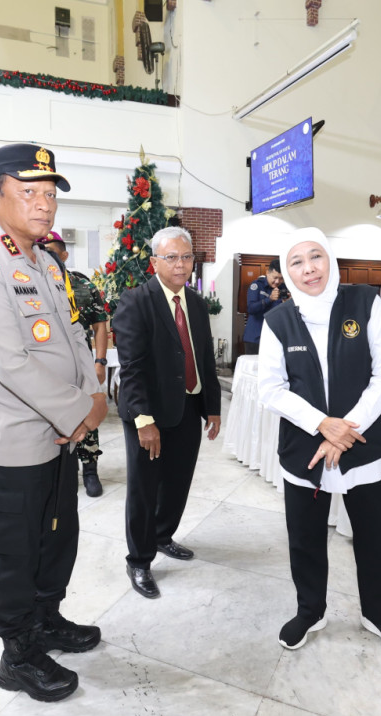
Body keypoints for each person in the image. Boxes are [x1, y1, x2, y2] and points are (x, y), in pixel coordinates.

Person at [0, 143, 108, 703]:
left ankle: (46, 620)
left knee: (55, 538)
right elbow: (10, 361)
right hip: (10, 443)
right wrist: (79, 413)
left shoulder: (43, 259)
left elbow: (74, 338)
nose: (44, 205)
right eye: (28, 192)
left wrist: (94, 394)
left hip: (59, 436)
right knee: (14, 553)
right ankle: (16, 653)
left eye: (49, 194)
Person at [258, 227, 381, 660]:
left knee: (373, 536)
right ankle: (311, 611)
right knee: (305, 537)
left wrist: (347, 428)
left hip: (364, 444)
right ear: (286, 272)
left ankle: (379, 616)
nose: (309, 269)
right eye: (297, 262)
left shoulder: (365, 303)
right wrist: (323, 424)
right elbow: (271, 389)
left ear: (330, 259)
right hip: (305, 448)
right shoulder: (277, 321)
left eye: (316, 257)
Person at [112, 226, 222, 600]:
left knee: (177, 482)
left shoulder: (195, 302)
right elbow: (133, 368)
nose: (180, 264)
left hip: (188, 408)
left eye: (186, 257)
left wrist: (212, 408)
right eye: (171, 257)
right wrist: (144, 420)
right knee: (144, 489)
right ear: (154, 261)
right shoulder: (135, 302)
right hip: (150, 416)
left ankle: (162, 536)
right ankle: (139, 560)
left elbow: (204, 357)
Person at [40, 230, 109, 498]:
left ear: (64, 255)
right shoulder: (32, 283)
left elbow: (100, 325)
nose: (47, 257)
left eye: (52, 252)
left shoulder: (80, 284)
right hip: (47, 366)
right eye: (42, 251)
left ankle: (90, 469)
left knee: (87, 410)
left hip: (80, 365)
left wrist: (100, 362)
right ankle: (55, 468)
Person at [242, 258, 286, 355]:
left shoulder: (284, 289)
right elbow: (251, 308)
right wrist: (269, 299)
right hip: (255, 338)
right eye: (275, 277)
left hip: (275, 338)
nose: (277, 281)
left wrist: (289, 302)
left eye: (281, 278)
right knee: (253, 368)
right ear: (267, 273)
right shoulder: (257, 286)